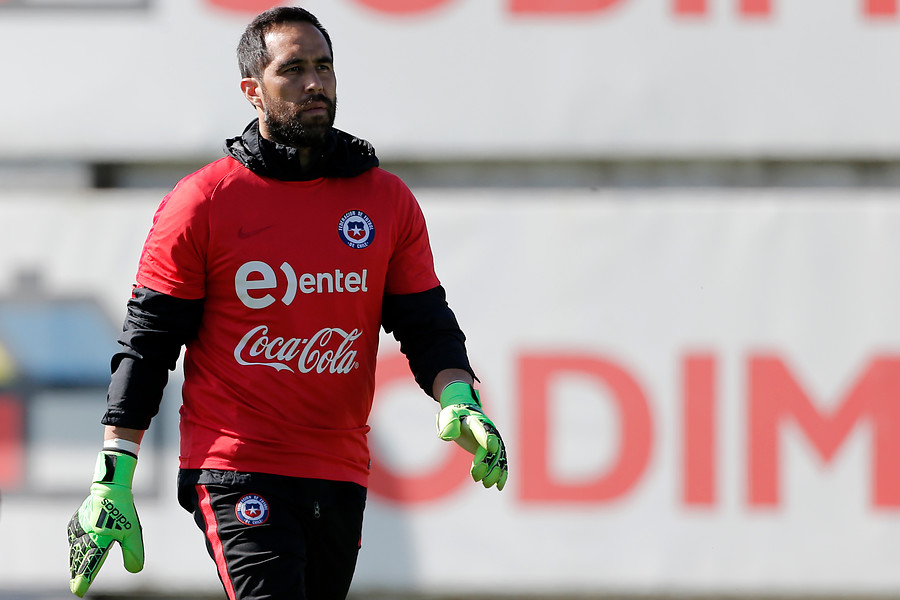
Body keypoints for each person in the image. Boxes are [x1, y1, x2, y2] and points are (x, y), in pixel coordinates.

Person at [66, 7, 508, 600]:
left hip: (339, 470)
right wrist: (111, 478)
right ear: (252, 91)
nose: (314, 83)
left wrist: (460, 398)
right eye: (293, 69)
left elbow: (426, 323)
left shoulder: (386, 199)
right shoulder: (203, 201)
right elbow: (147, 344)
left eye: (324, 67)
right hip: (237, 466)